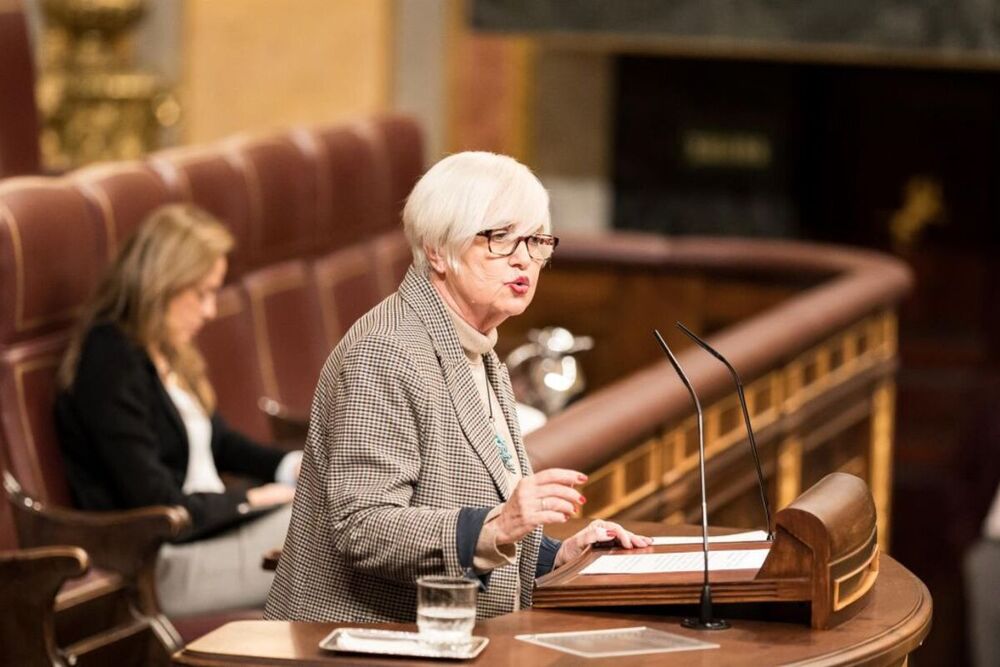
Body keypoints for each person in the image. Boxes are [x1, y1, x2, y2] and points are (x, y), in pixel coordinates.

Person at [266, 151, 650, 623]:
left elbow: (485, 520)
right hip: (359, 642)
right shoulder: (386, 352)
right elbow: (363, 527)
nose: (525, 261)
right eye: (501, 239)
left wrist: (559, 556)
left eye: (535, 241)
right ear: (436, 250)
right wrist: (500, 523)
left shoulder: (479, 349)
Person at [54, 203, 301, 617]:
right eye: (201, 293)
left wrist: (294, 466)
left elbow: (219, 442)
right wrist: (253, 499)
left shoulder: (166, 347)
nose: (209, 311)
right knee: (337, 531)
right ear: (161, 283)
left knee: (346, 516)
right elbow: (156, 501)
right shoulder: (109, 361)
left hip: (218, 533)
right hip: (167, 562)